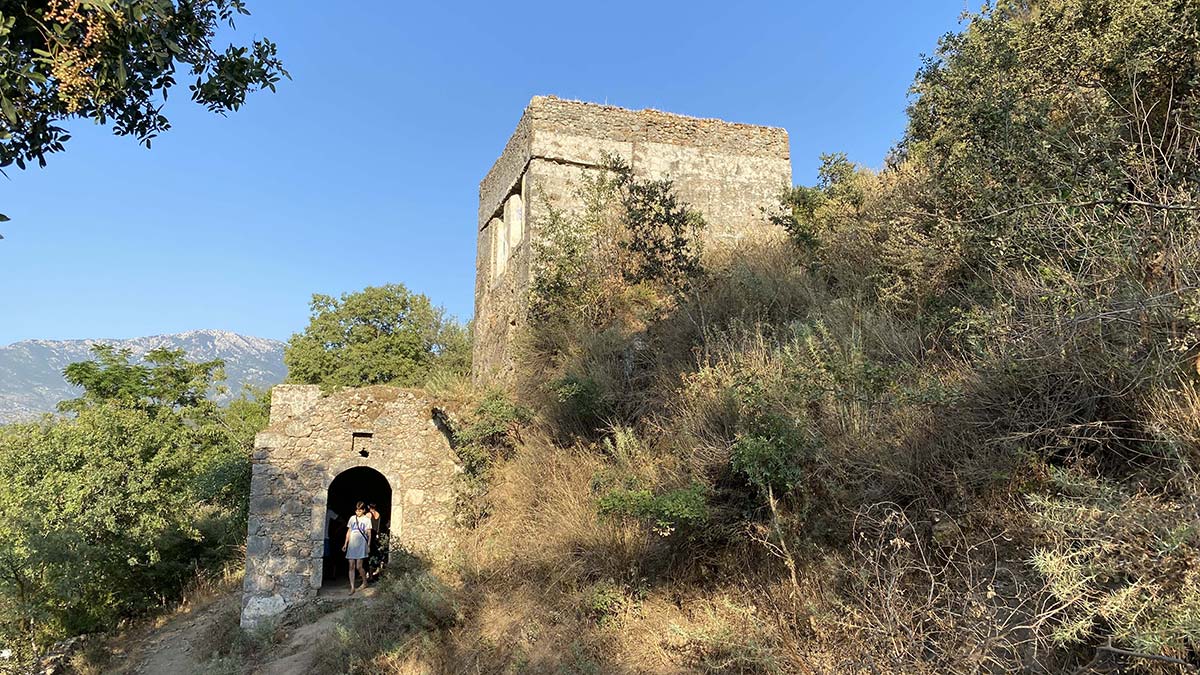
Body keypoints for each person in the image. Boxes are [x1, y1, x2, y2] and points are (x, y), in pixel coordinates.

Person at [342, 501, 372, 593]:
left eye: (359, 511)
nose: (357, 512)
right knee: (351, 565)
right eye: (356, 510)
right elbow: (349, 531)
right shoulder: (352, 518)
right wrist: (345, 544)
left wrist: (368, 545)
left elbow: (369, 534)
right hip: (352, 544)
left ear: (363, 510)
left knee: (359, 566)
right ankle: (352, 587)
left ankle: (364, 581)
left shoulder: (367, 520)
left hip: (361, 544)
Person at [367, 503, 382, 581]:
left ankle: (370, 576)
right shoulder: (378, 514)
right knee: (375, 555)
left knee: (369, 556)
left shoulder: (368, 515)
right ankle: (373, 574)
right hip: (377, 537)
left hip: (370, 536)